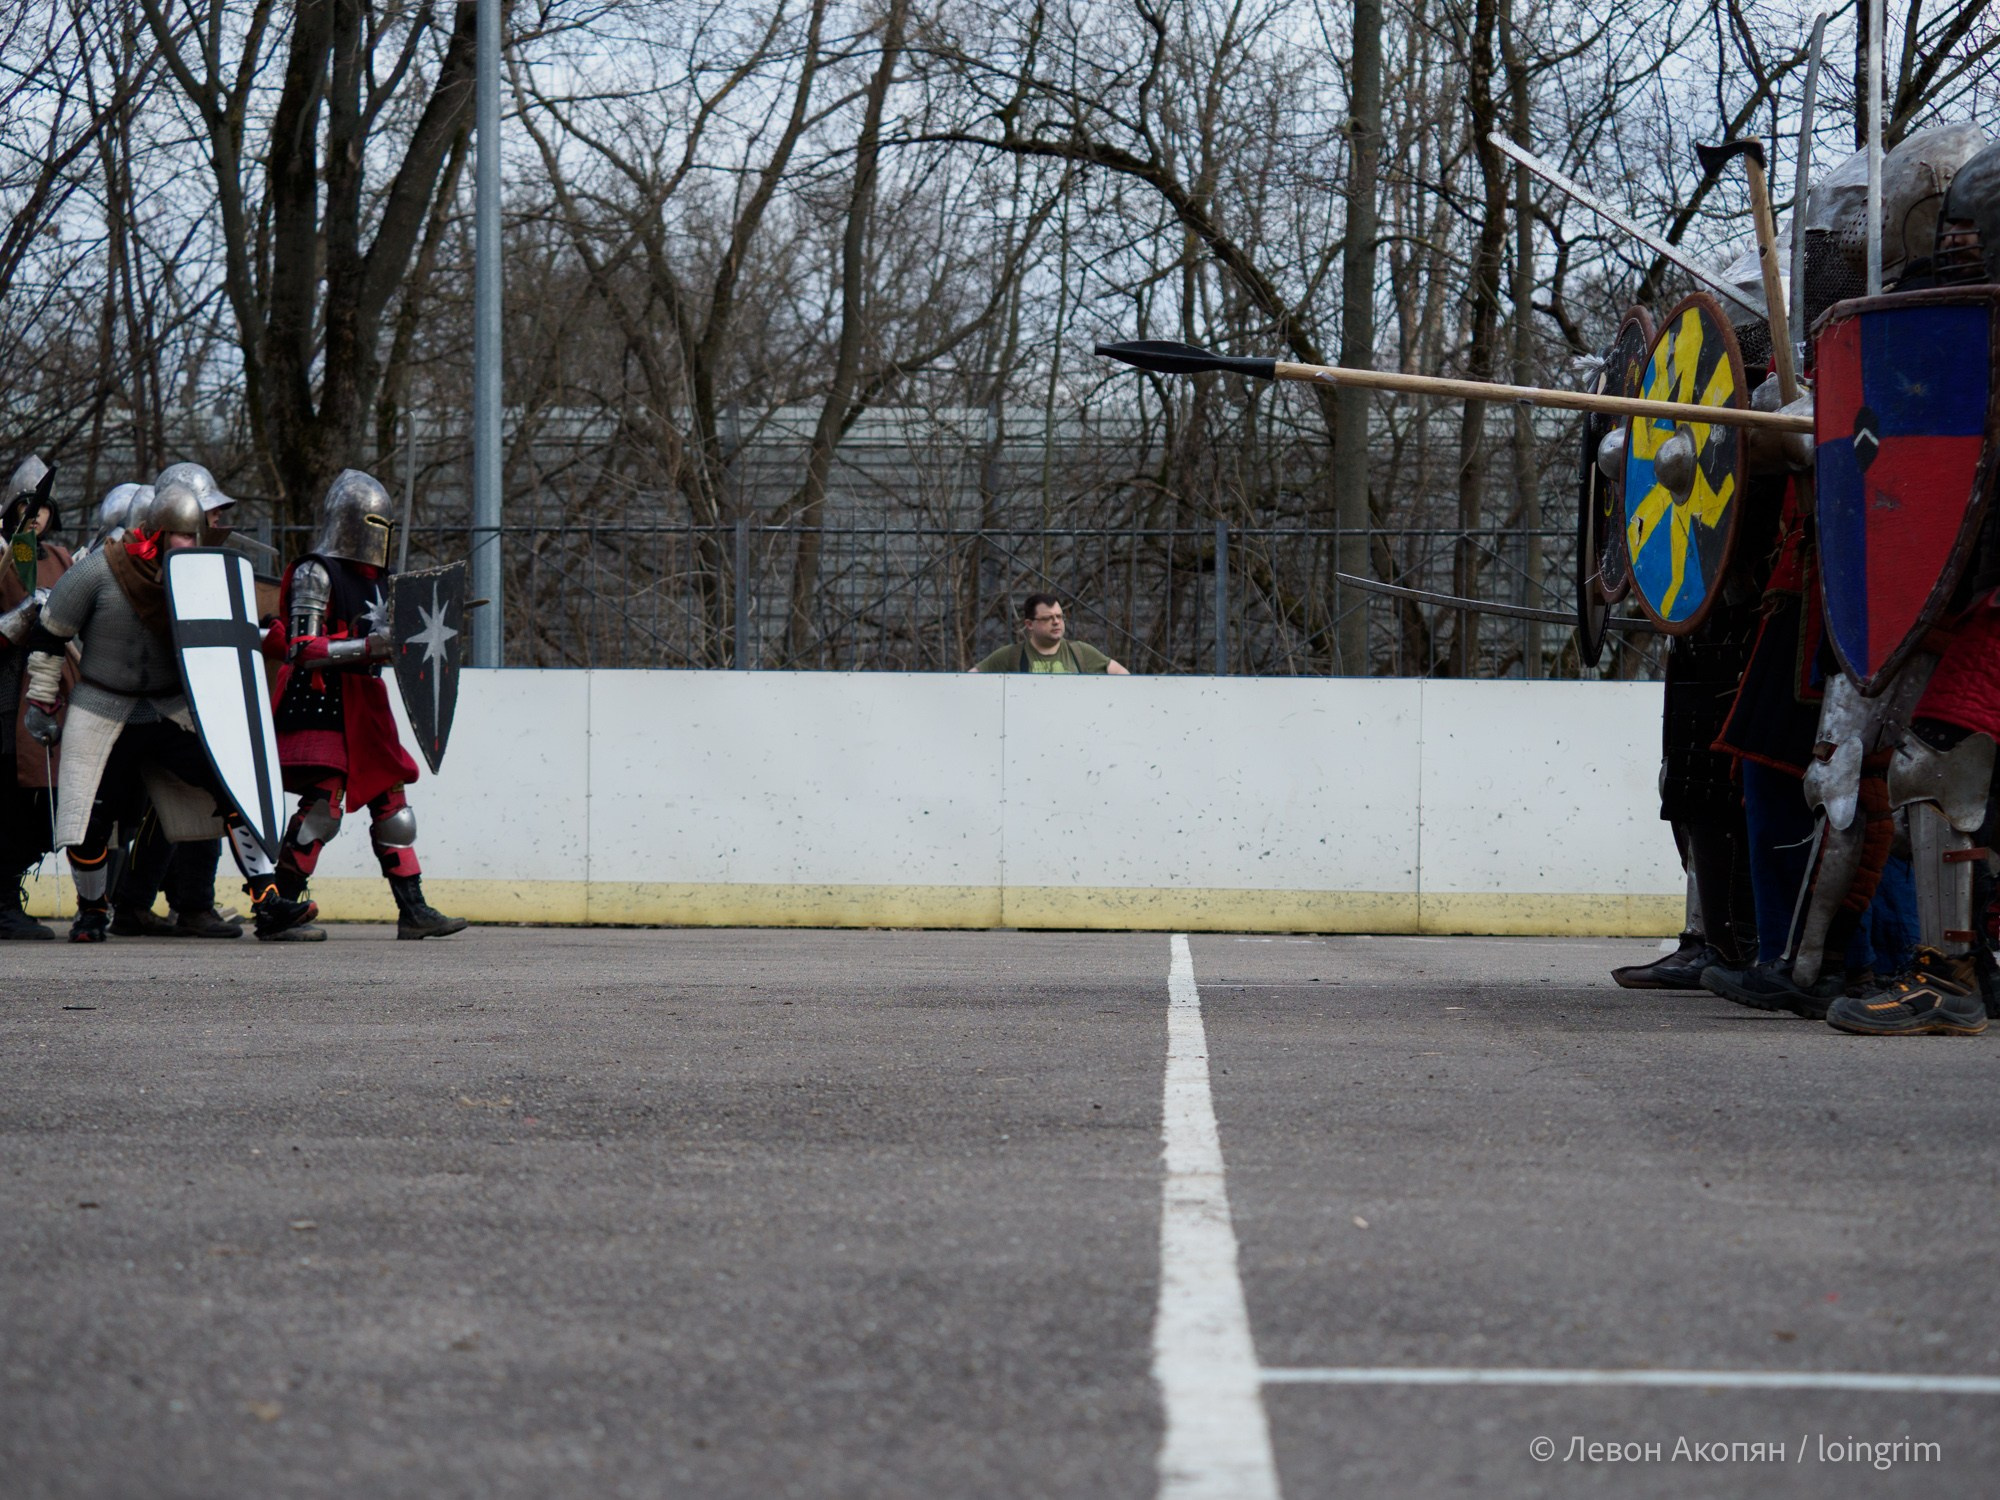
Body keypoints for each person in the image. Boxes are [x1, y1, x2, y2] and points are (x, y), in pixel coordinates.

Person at [17, 477, 320, 942]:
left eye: (194, 535)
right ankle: (93, 910)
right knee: (89, 818)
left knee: (233, 786)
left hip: (169, 709)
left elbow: (222, 641)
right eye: (182, 534)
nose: (191, 543)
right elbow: (50, 633)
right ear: (154, 532)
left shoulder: (201, 578)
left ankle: (267, 901)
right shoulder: (99, 571)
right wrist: (41, 700)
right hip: (103, 706)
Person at [264, 469, 466, 939]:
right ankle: (280, 909)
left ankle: (413, 910)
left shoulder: (383, 579)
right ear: (351, 521)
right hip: (322, 699)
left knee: (394, 808)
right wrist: (371, 646)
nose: (382, 536)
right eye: (376, 523)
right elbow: (301, 648)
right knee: (322, 809)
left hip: (367, 702)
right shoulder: (317, 571)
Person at [0, 456, 72, 938]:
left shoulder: (62, 559)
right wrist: (28, 612)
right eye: (28, 505)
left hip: (55, 691)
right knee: (9, 801)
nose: (36, 514)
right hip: (8, 689)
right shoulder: (6, 554)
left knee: (51, 806)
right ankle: (4, 901)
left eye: (43, 506)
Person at [970, 594, 1131, 675]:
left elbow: (1123, 676)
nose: (1056, 622)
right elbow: (967, 681)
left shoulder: (1081, 652)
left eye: (1059, 616)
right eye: (1047, 618)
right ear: (1029, 624)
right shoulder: (1010, 656)